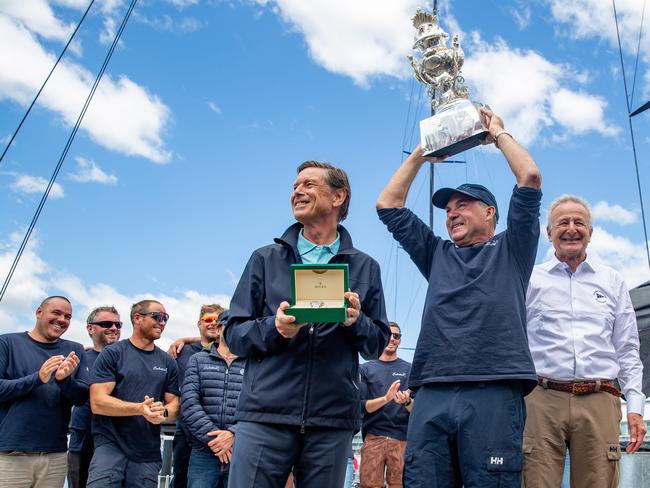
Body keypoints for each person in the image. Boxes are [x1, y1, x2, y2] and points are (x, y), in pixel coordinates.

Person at [376, 108, 542, 487]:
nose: (451, 214)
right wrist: (423, 152)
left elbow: (529, 178)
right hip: (432, 390)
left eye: (462, 205)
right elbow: (388, 205)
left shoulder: (512, 249)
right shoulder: (436, 254)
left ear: (490, 212)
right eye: (448, 211)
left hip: (494, 388)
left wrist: (498, 134)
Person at [223, 160, 391, 487]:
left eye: (309, 185)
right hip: (265, 416)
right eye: (295, 186)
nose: (297, 191)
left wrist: (356, 322)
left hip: (331, 421)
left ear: (338, 196)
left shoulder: (365, 267)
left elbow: (377, 344)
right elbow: (234, 333)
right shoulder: (264, 259)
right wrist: (276, 328)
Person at [523, 194, 646, 488]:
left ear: (591, 232)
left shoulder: (612, 280)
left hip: (599, 397)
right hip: (541, 398)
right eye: (562, 222)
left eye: (580, 222)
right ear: (549, 233)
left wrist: (636, 408)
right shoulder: (529, 279)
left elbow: (627, 348)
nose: (571, 228)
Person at [87, 299, 180, 488]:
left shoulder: (168, 362)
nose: (162, 322)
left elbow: (174, 405)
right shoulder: (113, 353)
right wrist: (140, 409)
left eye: (166, 318)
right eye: (158, 316)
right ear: (137, 318)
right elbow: (97, 402)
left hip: (147, 452)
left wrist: (161, 414)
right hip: (110, 446)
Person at [0, 295, 88, 488]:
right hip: (10, 454)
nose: (62, 320)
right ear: (39, 312)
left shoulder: (74, 349)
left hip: (54, 455)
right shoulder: (6, 343)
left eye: (68, 316)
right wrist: (38, 378)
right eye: (56, 313)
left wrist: (65, 381)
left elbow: (81, 398)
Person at [182, 310, 245, 488]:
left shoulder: (254, 363)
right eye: (231, 325)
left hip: (240, 450)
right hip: (204, 451)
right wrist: (215, 441)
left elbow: (260, 406)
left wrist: (233, 433)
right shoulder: (198, 360)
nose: (236, 330)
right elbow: (189, 404)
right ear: (218, 329)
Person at [168, 303, 226, 488]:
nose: (212, 324)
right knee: (181, 475)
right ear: (199, 323)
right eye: (208, 320)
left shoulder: (230, 353)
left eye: (217, 320)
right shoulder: (181, 351)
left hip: (217, 430)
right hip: (186, 426)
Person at [68, 306, 122, 488]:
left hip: (117, 443)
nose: (114, 328)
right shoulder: (78, 358)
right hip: (82, 442)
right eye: (106, 323)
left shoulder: (129, 358)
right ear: (90, 328)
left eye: (117, 324)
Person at [359, 322, 412, 488]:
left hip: (402, 439)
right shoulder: (365, 369)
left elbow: (417, 410)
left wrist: (407, 401)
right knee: (369, 485)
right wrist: (386, 398)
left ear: (400, 340)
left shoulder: (410, 369)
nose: (392, 338)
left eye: (396, 336)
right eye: (389, 334)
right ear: (381, 336)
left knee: (400, 485)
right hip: (374, 438)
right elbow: (361, 406)